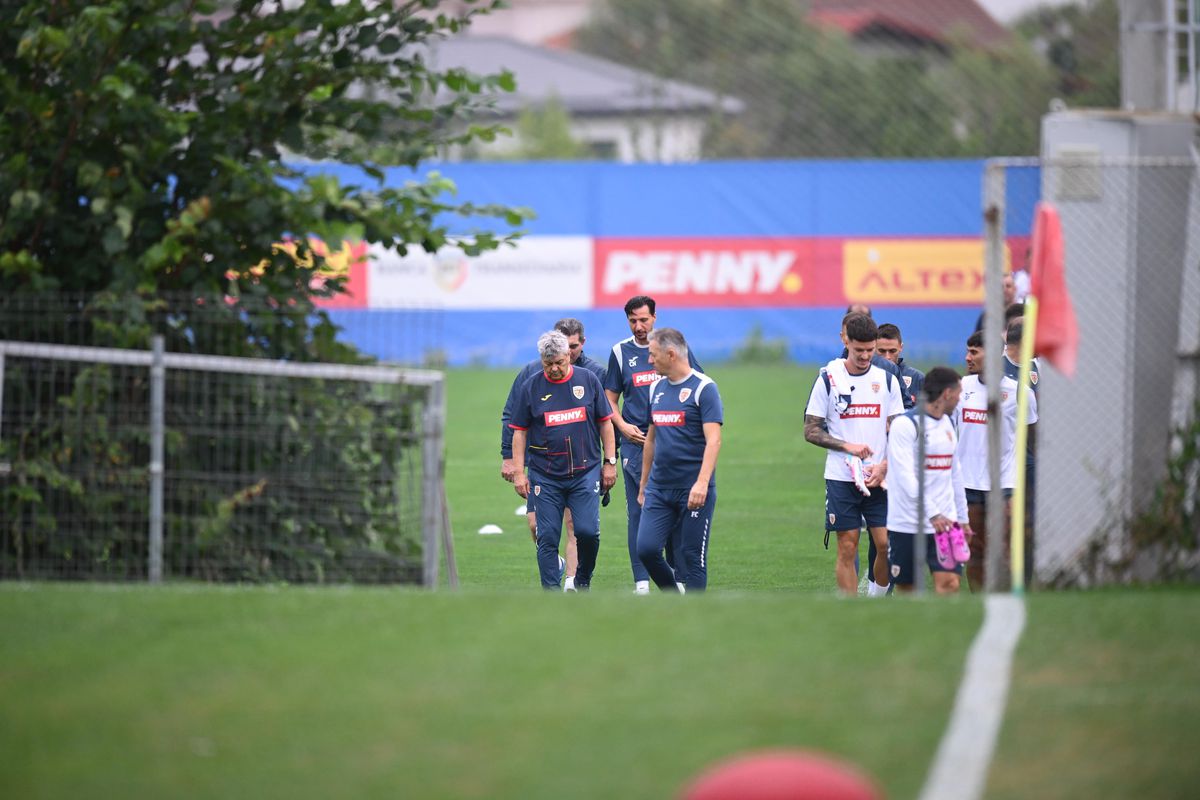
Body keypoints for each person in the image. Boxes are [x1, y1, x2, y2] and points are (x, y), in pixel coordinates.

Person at [605, 295, 703, 594]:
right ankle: (642, 583)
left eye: (644, 319)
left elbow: (696, 383)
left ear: (655, 317)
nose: (638, 326)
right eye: (633, 320)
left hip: (672, 443)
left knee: (675, 510)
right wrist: (622, 426)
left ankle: (678, 577)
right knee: (639, 511)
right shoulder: (620, 353)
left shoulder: (673, 348)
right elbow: (609, 398)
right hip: (636, 445)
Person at [500, 318, 607, 591]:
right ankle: (551, 591)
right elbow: (519, 430)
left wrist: (610, 462)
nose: (555, 368)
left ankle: (581, 578)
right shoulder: (531, 386)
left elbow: (605, 421)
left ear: (569, 356)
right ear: (542, 360)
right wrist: (518, 471)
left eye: (560, 362)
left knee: (586, 533)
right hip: (545, 474)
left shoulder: (589, 380)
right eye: (549, 364)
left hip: (584, 472)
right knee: (545, 536)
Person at [805, 313, 905, 596]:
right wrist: (846, 446)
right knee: (847, 546)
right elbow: (810, 430)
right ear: (846, 342)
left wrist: (885, 464)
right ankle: (848, 609)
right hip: (841, 477)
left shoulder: (887, 381)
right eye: (858, 350)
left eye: (869, 350)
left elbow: (899, 431)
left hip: (879, 477)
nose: (864, 356)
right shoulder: (828, 378)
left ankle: (877, 599)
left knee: (885, 544)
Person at [636, 328, 723, 592]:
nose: (649, 361)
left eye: (652, 355)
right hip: (659, 489)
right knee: (647, 549)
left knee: (692, 557)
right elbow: (651, 439)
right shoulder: (656, 388)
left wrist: (702, 484)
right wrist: (643, 485)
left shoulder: (704, 388)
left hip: (693, 490)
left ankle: (695, 616)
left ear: (670, 354)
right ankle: (674, 597)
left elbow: (714, 440)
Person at [955, 331, 1038, 591]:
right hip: (968, 482)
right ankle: (979, 600)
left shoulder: (1019, 393)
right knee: (976, 548)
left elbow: (1032, 439)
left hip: (1005, 482)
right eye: (968, 351)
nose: (967, 358)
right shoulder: (960, 389)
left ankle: (1011, 596)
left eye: (974, 353)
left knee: (1005, 545)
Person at [885, 366, 971, 595]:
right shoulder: (905, 425)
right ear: (946, 394)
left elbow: (954, 473)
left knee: (950, 584)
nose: (960, 398)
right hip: (907, 522)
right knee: (908, 589)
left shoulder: (948, 423)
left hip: (945, 523)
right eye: (958, 393)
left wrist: (961, 517)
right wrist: (933, 513)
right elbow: (905, 477)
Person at [875, 323, 924, 409]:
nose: (887, 357)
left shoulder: (917, 378)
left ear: (901, 347)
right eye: (882, 351)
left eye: (892, 351)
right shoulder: (866, 375)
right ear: (874, 347)